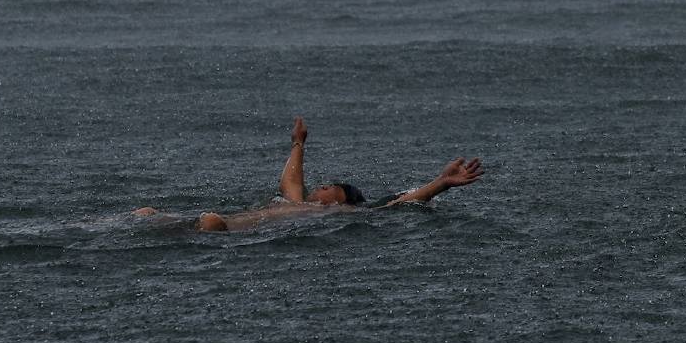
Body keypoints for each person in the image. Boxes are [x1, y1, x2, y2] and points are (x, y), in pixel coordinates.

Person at [132, 116, 484, 232]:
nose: (322, 186)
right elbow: (291, 184)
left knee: (210, 223)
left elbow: (400, 202)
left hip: (231, 230)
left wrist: (440, 184)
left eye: (332, 187)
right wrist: (298, 144)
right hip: (230, 221)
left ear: (344, 201)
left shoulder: (346, 213)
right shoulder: (303, 204)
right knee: (148, 214)